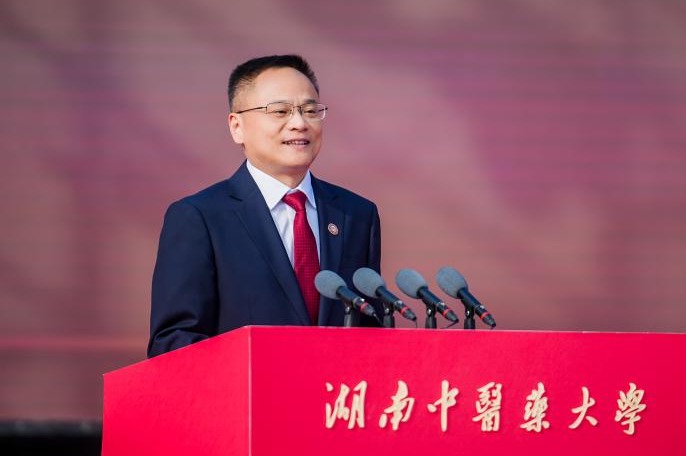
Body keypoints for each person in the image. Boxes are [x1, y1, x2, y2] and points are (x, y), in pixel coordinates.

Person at [148, 55, 382, 357]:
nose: (299, 123)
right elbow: (173, 342)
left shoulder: (356, 215)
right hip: (244, 387)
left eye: (310, 110)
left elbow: (370, 331)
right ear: (237, 126)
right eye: (280, 111)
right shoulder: (200, 218)